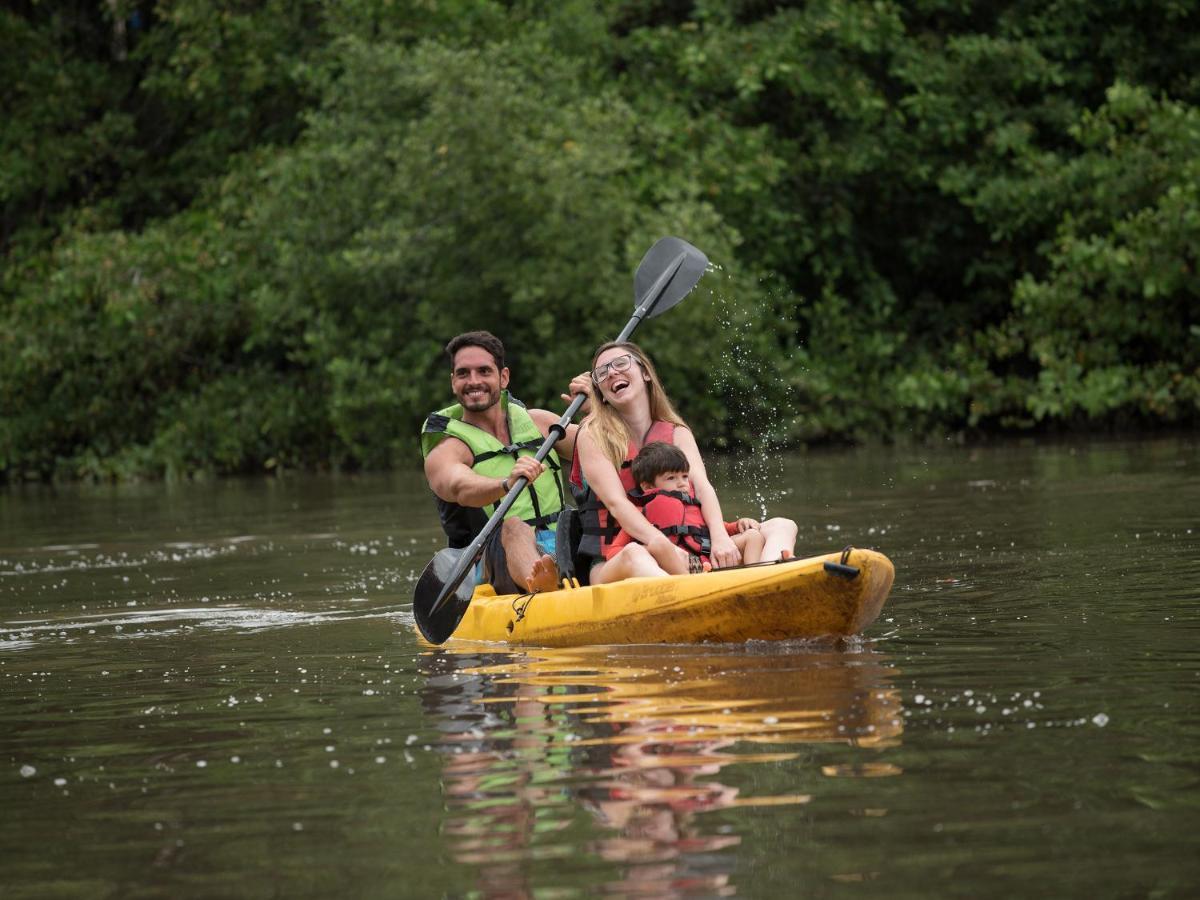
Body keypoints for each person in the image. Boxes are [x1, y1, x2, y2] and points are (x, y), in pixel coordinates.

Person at [571, 341, 797, 584]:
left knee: (782, 525)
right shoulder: (592, 435)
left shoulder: (677, 432)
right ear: (600, 392)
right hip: (619, 559)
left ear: (645, 373)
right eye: (602, 372)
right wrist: (663, 547)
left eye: (620, 363)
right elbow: (616, 504)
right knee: (635, 554)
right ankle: (697, 594)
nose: (612, 372)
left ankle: (766, 585)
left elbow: (701, 487)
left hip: (692, 551)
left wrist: (720, 537)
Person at [422, 331, 590, 594]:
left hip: (564, 543)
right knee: (512, 526)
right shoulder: (447, 450)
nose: (473, 381)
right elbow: (459, 487)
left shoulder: (542, 424)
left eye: (484, 371)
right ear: (453, 382)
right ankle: (542, 586)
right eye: (463, 373)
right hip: (498, 558)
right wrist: (505, 483)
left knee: (599, 515)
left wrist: (596, 410)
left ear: (503, 377)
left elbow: (610, 451)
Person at [606, 441, 765, 571]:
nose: (682, 483)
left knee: (753, 536)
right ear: (647, 487)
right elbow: (614, 552)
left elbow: (709, 529)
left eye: (684, 476)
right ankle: (689, 586)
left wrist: (738, 525)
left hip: (708, 558)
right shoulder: (639, 515)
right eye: (671, 478)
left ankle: (754, 577)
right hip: (676, 567)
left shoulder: (693, 506)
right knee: (660, 547)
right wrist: (647, 552)